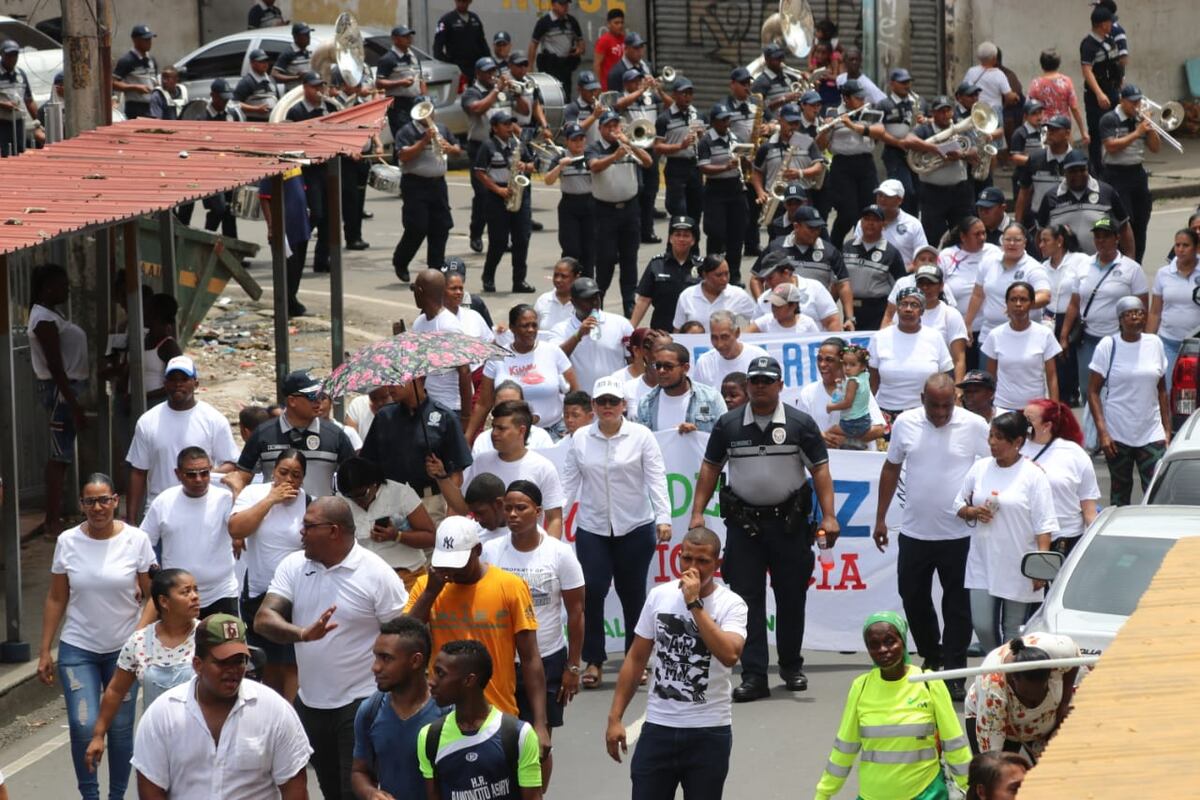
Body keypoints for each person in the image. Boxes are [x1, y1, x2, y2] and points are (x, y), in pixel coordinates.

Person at [690, 355, 837, 700]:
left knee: (790, 598)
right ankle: (754, 675)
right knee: (746, 601)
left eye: (766, 381)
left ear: (779, 385)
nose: (759, 386)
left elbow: (820, 471)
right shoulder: (728, 424)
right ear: (747, 385)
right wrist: (697, 513)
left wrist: (829, 516)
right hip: (745, 527)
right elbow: (710, 468)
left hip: (790, 525)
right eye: (754, 380)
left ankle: (790, 666)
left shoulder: (800, 423)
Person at [254, 496, 409, 800]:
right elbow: (263, 618)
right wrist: (301, 633)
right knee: (330, 790)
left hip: (361, 704)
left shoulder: (377, 574)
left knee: (355, 792)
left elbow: (403, 637)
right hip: (310, 704)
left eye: (309, 526)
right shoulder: (294, 565)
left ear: (334, 531)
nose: (301, 531)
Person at [605, 528, 747, 799]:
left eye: (703, 561)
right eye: (687, 559)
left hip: (709, 732)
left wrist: (694, 603)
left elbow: (729, 654)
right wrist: (615, 718)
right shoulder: (659, 596)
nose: (693, 568)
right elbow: (636, 658)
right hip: (659, 728)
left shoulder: (732, 604)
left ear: (717, 564)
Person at [38, 473, 154, 800]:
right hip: (79, 648)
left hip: (124, 651)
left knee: (118, 730)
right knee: (82, 723)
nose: (98, 507)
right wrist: (45, 649)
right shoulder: (67, 541)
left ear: (115, 500)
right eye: (90, 501)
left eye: (104, 500)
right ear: (82, 505)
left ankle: (116, 796)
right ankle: (90, 796)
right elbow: (57, 597)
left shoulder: (137, 539)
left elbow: (152, 596)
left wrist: (138, 638)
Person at [874, 374, 990, 697]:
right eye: (934, 406)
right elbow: (891, 468)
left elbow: (992, 464)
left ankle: (954, 671)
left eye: (947, 405)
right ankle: (932, 654)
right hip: (914, 532)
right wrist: (881, 518)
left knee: (958, 606)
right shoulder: (905, 424)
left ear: (956, 398)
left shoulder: (975, 425)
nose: (940, 413)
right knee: (913, 597)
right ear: (921, 397)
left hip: (959, 535)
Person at [562, 376, 671, 689]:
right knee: (593, 591)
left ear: (624, 405)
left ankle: (635, 660)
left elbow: (657, 478)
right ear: (593, 406)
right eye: (601, 402)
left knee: (632, 592)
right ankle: (593, 659)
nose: (607, 407)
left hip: (635, 525)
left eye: (613, 401)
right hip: (593, 527)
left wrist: (663, 517)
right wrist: (552, 520)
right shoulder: (581, 438)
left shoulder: (641, 436)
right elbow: (569, 482)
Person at [130, 613, 312, 799]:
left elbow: (295, 789)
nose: (233, 670)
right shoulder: (161, 715)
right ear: (197, 664)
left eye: (239, 661)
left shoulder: (276, 711)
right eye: (222, 662)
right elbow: (151, 790)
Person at [405, 518, 549, 748]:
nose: (451, 570)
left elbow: (530, 658)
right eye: (446, 562)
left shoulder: (510, 586)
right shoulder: (426, 587)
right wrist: (431, 593)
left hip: (498, 717)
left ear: (478, 550)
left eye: (458, 562)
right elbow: (403, 640)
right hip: (443, 720)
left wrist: (540, 724)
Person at [484, 480, 584, 778]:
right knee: (499, 744)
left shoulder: (559, 553)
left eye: (521, 508)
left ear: (538, 512)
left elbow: (577, 612)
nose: (513, 514)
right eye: (508, 508)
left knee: (539, 743)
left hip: (548, 659)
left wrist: (573, 667)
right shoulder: (490, 552)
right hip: (501, 662)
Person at [815, 612, 972, 799]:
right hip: (872, 794)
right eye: (874, 645)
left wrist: (971, 788)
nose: (882, 649)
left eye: (890, 641)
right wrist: (823, 793)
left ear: (903, 642)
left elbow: (954, 744)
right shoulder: (861, 686)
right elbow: (845, 748)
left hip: (926, 793)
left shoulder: (929, 683)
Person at [955, 412, 1058, 652]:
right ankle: (995, 664)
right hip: (982, 560)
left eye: (999, 438)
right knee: (982, 625)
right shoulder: (979, 468)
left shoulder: (1033, 475)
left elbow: (1045, 526)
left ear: (1017, 442)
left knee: (1013, 630)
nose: (992, 442)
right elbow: (957, 504)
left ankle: (1007, 678)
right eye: (991, 436)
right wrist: (972, 512)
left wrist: (1040, 567)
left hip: (1018, 563)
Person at [84, 569, 200, 774]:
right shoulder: (139, 642)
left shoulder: (206, 637)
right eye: (186, 592)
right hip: (155, 744)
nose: (195, 596)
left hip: (199, 744)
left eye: (196, 590)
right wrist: (98, 735)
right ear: (164, 601)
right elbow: (115, 691)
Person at [228, 449, 308, 700]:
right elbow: (236, 528)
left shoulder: (308, 502)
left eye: (296, 475)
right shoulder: (254, 494)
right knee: (266, 662)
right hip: (259, 592)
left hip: (295, 595)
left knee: (292, 664)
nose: (288, 480)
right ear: (273, 471)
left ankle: (292, 719)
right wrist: (270, 500)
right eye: (283, 472)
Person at [419, 640, 544, 799]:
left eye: (440, 673)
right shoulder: (430, 737)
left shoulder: (518, 734)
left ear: (469, 680)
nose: (431, 681)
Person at [125, 355, 238, 520]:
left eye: (184, 379)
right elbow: (138, 471)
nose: (178, 384)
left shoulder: (214, 419)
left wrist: (201, 475)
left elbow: (230, 463)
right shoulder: (148, 421)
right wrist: (132, 519)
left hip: (203, 511)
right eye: (173, 379)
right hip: (160, 512)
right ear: (165, 384)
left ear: (196, 383)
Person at [351, 616, 447, 800]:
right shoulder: (369, 711)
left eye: (386, 658)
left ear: (415, 661)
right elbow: (359, 772)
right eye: (376, 657)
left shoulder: (448, 712)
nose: (375, 667)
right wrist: (371, 793)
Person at [1088, 296, 1170, 506]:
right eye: (1129, 313)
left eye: (1140, 312)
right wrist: (1103, 433)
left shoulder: (1155, 343)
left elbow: (1161, 390)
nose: (1135, 317)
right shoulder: (1108, 345)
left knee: (1155, 490)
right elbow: (1093, 391)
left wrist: (1167, 431)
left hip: (1151, 431)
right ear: (1120, 319)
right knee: (1120, 491)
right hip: (1118, 433)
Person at [360, 376, 474, 527]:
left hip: (429, 503)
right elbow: (368, 463)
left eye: (395, 381)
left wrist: (450, 517)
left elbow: (456, 473)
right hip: (389, 503)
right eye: (388, 381)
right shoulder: (383, 417)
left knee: (429, 549)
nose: (390, 387)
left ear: (418, 378)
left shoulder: (445, 417)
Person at [28, 263, 89, 539]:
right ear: (48, 287)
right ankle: (52, 523)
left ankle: (55, 519)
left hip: (64, 391)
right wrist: (73, 405)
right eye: (62, 284)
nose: (67, 288)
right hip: (59, 393)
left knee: (61, 457)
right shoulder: (43, 319)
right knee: (58, 457)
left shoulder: (52, 314)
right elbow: (55, 365)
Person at [141, 447, 238, 617]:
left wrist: (237, 490)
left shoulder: (225, 499)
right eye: (191, 474)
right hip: (178, 598)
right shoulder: (163, 501)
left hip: (221, 593)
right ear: (178, 474)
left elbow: (240, 526)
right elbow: (143, 542)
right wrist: (152, 577)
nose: (199, 479)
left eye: (204, 473)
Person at [229, 369, 357, 498]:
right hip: (275, 516)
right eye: (312, 396)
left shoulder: (336, 435)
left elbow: (354, 481)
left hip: (320, 517)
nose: (318, 401)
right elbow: (241, 478)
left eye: (321, 395)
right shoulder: (263, 434)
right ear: (292, 401)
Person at [1059, 217, 1148, 399]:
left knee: (1117, 389)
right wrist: (1064, 336)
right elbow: (1074, 304)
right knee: (1087, 390)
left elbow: (1143, 308)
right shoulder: (1084, 265)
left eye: (1106, 236)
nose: (1101, 241)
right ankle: (1094, 427)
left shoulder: (1132, 269)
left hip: (1120, 339)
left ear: (1117, 238)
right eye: (1097, 237)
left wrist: (1143, 340)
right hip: (1088, 340)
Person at [450, 401, 565, 537]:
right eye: (493, 427)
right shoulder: (481, 461)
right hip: (483, 549)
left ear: (521, 431)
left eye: (501, 428)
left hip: (526, 551)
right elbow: (463, 507)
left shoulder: (543, 467)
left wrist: (550, 554)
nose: (494, 433)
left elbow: (554, 519)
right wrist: (442, 478)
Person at [965, 634, 1081, 764]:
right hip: (1002, 726)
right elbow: (993, 757)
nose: (1034, 698)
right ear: (1014, 679)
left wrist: (1064, 703)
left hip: (1042, 728)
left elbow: (1075, 659)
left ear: (1050, 675)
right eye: (1026, 693)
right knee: (1000, 773)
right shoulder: (992, 689)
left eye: (1041, 692)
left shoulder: (1060, 652)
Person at [471, 303, 577, 440]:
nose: (531, 330)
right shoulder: (497, 358)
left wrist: (574, 425)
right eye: (525, 326)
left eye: (534, 325)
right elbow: (483, 403)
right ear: (512, 328)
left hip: (555, 433)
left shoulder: (553, 351)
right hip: (512, 436)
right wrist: (468, 436)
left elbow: (574, 391)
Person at [335, 456, 436, 592]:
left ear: (374, 483)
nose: (357, 501)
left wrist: (397, 536)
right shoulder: (340, 502)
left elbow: (431, 537)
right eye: (351, 497)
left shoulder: (400, 494)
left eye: (362, 494)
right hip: (363, 583)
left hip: (407, 577)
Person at [591, 110, 654, 315]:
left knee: (630, 257)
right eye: (608, 126)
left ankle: (629, 301)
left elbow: (648, 162)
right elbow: (595, 166)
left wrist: (631, 145)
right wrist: (614, 156)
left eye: (616, 126)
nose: (613, 130)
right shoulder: (595, 147)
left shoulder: (628, 146)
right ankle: (598, 298)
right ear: (600, 128)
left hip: (629, 209)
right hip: (605, 211)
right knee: (606, 258)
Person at [393, 97, 461, 283]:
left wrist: (450, 148)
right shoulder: (407, 131)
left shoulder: (442, 128)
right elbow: (403, 156)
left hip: (438, 184)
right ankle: (400, 260)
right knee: (417, 227)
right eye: (424, 110)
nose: (429, 114)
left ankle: (435, 270)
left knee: (441, 226)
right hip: (415, 184)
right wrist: (424, 141)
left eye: (430, 110)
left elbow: (457, 149)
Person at [1022, 399, 1099, 557]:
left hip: (1065, 538)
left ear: (1047, 425)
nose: (1023, 424)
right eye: (1022, 418)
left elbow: (1089, 509)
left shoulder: (1073, 453)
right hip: (1025, 536)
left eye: (1029, 420)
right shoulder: (1016, 449)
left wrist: (1095, 545)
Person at [869, 287, 954, 420]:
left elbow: (947, 376)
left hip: (925, 414)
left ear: (921, 311)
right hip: (886, 413)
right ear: (897, 309)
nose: (908, 309)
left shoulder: (934, 337)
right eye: (904, 304)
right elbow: (872, 382)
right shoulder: (879, 338)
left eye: (914, 305)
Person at [906, 95, 976, 247]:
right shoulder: (925, 129)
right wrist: (936, 149)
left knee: (963, 233)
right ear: (933, 113)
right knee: (932, 235)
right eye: (940, 111)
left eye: (948, 111)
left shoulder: (959, 127)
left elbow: (976, 153)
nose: (945, 115)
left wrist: (961, 155)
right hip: (933, 193)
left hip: (959, 191)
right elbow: (908, 140)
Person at [817, 80, 880, 246]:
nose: (861, 101)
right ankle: (835, 246)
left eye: (862, 97)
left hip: (865, 163)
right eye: (856, 97)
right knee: (848, 212)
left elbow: (879, 134)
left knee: (869, 210)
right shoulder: (832, 112)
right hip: (842, 165)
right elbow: (821, 145)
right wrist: (827, 129)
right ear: (845, 98)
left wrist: (853, 125)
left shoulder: (869, 111)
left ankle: (863, 248)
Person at [1036, 150, 1133, 256]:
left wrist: (1130, 258)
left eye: (1082, 170)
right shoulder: (1051, 197)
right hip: (1063, 268)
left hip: (1101, 265)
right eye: (1073, 171)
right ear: (1064, 172)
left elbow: (1124, 226)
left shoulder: (1106, 192)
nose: (1078, 175)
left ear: (1088, 169)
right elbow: (1040, 233)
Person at [1099, 84, 1157, 263]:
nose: (1137, 105)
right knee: (1124, 222)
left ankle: (1136, 264)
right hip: (1116, 174)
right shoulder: (1110, 119)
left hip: (1137, 172)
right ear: (1122, 101)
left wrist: (1151, 128)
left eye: (1139, 101)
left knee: (1141, 222)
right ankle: (1122, 262)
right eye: (1132, 102)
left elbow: (1155, 148)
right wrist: (1137, 132)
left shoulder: (1140, 119)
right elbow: (1111, 146)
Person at [982, 282, 1062, 411]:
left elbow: (1052, 377)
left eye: (1023, 300)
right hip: (1003, 408)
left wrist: (1055, 409)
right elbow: (990, 377)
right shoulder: (995, 335)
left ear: (1031, 303)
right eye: (1013, 300)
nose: (1018, 304)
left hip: (1036, 409)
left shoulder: (1044, 334)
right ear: (1006, 303)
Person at [884, 264, 970, 381]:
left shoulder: (950, 314)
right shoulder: (903, 314)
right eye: (921, 283)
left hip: (939, 383)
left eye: (931, 283)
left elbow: (959, 359)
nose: (925, 287)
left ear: (941, 286)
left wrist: (958, 390)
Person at [797, 338, 887, 449]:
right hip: (822, 462)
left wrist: (848, 439)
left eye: (829, 360)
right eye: (819, 359)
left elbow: (879, 429)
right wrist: (819, 438)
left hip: (857, 462)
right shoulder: (808, 393)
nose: (822, 364)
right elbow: (798, 431)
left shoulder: (859, 388)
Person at [550, 276, 634, 393]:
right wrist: (578, 336)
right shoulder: (560, 329)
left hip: (614, 399)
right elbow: (554, 359)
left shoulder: (621, 324)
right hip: (582, 401)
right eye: (587, 299)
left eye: (596, 297)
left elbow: (633, 360)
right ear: (573, 302)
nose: (594, 302)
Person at [1038, 223, 1089, 404]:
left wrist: (1065, 334)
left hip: (1073, 320)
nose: (1041, 245)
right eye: (1040, 241)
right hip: (1049, 320)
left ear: (1059, 241)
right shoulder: (1042, 267)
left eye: (1045, 241)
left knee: (1073, 364)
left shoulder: (1079, 260)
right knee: (1056, 368)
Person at [697, 104, 747, 283]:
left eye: (728, 119)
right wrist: (725, 167)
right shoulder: (706, 141)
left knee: (737, 234)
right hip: (715, 189)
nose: (727, 123)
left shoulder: (736, 138)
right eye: (723, 120)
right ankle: (712, 272)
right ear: (714, 122)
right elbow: (704, 167)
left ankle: (733, 275)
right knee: (716, 233)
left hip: (735, 188)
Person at [1148, 228, 1200, 391]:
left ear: (1196, 247)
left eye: (1186, 245)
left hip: (1196, 344)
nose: (1181, 249)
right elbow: (1155, 311)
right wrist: (1147, 342)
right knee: (1169, 389)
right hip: (1169, 343)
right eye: (1177, 245)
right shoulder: (1163, 274)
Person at [637, 342, 727, 433]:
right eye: (658, 366)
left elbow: (725, 435)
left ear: (685, 368)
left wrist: (696, 434)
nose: (661, 371)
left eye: (668, 366)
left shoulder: (710, 398)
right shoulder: (646, 403)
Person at [631, 217, 702, 330]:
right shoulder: (656, 264)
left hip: (692, 332)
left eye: (686, 235)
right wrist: (630, 329)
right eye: (677, 235)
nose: (681, 239)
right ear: (670, 239)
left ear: (693, 240)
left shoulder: (702, 267)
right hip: (662, 331)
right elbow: (643, 300)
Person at [843, 204, 908, 329]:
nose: (870, 223)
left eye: (875, 220)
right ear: (861, 223)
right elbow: (840, 281)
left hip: (878, 311)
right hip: (850, 310)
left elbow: (901, 285)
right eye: (867, 219)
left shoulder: (891, 253)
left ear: (883, 225)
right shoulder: (848, 247)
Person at [542, 124, 595, 274]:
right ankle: (568, 281)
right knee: (571, 249)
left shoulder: (591, 154)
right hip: (569, 204)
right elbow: (548, 180)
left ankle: (587, 283)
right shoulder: (561, 156)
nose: (578, 143)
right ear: (567, 141)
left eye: (581, 139)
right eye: (574, 140)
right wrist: (559, 167)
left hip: (590, 203)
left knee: (589, 250)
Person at [655, 78, 704, 230]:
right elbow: (657, 147)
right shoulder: (665, 118)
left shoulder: (697, 115)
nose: (687, 97)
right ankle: (674, 249)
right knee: (680, 212)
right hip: (676, 167)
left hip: (694, 166)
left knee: (696, 211)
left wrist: (702, 137)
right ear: (675, 95)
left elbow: (704, 141)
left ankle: (693, 251)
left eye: (690, 93)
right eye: (684, 93)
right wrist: (680, 146)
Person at [1080, 5, 1124, 172]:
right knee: (1097, 131)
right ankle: (1097, 169)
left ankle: (1114, 164)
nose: (1112, 25)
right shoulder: (1089, 44)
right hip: (1097, 94)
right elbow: (1087, 70)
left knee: (1116, 127)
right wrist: (1099, 93)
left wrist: (1120, 84)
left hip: (1112, 89)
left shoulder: (1109, 40)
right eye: (1109, 22)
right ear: (1102, 24)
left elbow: (1116, 64)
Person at [873, 71, 923, 214]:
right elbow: (878, 131)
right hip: (894, 153)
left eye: (908, 82)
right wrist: (898, 142)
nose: (906, 86)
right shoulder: (884, 104)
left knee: (917, 193)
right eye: (902, 82)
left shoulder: (915, 102)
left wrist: (923, 121)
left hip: (914, 154)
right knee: (904, 190)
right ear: (892, 84)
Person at [673, 255, 755, 331]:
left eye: (727, 273)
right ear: (705, 275)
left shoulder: (738, 295)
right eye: (719, 275)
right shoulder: (687, 296)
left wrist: (743, 336)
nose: (724, 279)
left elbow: (758, 320)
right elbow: (678, 329)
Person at [693, 310, 770, 390]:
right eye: (714, 338)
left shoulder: (759, 357)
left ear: (737, 333)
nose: (720, 344)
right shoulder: (704, 363)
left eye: (724, 337)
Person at [1027, 49, 1088, 144]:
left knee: (1046, 156)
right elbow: (1074, 107)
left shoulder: (1036, 83)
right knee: (1066, 155)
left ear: (1042, 64)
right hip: (1063, 127)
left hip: (1044, 127)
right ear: (1058, 64)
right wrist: (1083, 131)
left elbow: (1029, 108)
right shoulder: (1066, 81)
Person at [528, 0, 583, 92]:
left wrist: (579, 49)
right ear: (553, 5)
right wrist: (530, 66)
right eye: (561, 4)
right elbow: (534, 44)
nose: (565, 7)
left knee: (565, 94)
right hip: (550, 65)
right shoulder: (544, 22)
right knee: (550, 94)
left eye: (566, 4)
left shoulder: (571, 21)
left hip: (565, 66)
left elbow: (581, 42)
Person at [823, 344, 874, 440]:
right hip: (865, 420)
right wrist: (841, 385)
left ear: (862, 366)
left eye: (852, 364)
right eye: (845, 364)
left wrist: (831, 407)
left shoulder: (852, 381)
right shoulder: (865, 375)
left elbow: (847, 403)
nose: (847, 368)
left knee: (830, 432)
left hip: (853, 423)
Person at [434, 0, 489, 80]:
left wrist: (488, 61)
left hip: (475, 68)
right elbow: (437, 48)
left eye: (465, 1)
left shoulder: (475, 19)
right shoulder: (446, 20)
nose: (462, 4)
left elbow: (482, 43)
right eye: (460, 1)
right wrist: (449, 64)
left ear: (469, 2)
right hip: (457, 68)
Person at [112, 24, 158, 119]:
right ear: (135, 40)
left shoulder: (151, 60)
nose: (149, 42)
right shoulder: (127, 60)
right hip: (136, 106)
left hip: (152, 105)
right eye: (145, 40)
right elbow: (113, 83)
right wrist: (135, 87)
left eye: (150, 39)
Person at [0, 39, 37, 156]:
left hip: (18, 122)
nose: (12, 58)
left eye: (15, 55)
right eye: (9, 55)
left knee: (19, 152)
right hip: (2, 122)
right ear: (2, 54)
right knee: (5, 153)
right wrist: (3, 104)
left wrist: (38, 121)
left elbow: (28, 99)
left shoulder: (20, 74)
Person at [745, 283, 822, 335]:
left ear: (793, 306)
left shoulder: (807, 323)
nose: (774, 309)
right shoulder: (766, 321)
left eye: (778, 306)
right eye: (773, 305)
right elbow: (744, 337)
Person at [234, 48, 280, 122]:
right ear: (252, 63)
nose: (265, 64)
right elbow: (234, 103)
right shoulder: (246, 82)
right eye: (261, 61)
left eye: (266, 61)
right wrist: (256, 109)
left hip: (272, 122)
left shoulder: (271, 80)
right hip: (254, 123)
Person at [535, 258, 580, 330]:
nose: (558, 280)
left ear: (576, 278)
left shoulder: (583, 303)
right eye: (555, 275)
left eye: (564, 276)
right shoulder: (543, 300)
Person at [593, 9, 625, 90]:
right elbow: (597, 65)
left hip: (623, 83)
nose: (620, 26)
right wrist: (599, 86)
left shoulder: (624, 39)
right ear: (609, 24)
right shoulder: (604, 41)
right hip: (608, 86)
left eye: (621, 23)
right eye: (616, 23)